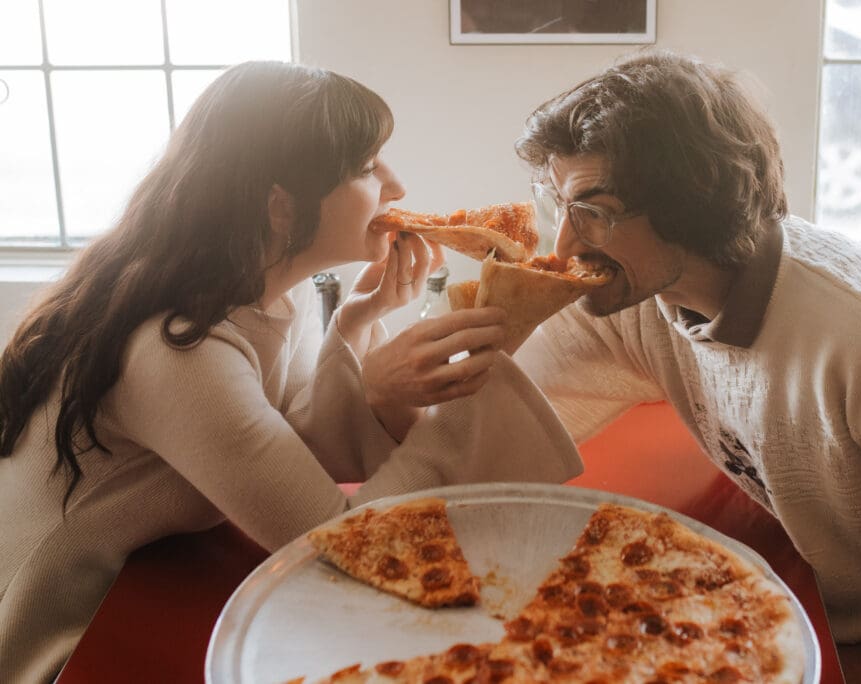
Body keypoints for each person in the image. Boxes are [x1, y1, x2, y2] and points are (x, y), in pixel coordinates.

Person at [0, 61, 581, 683]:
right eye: (366, 167)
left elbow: (292, 443)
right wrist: (473, 386)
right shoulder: (177, 350)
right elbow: (341, 544)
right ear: (281, 206)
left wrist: (356, 326)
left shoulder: (277, 290)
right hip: (74, 634)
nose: (397, 186)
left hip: (164, 572)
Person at [510, 50, 861, 683]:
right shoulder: (643, 292)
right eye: (558, 205)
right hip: (791, 614)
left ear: (687, 203)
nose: (564, 244)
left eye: (595, 211)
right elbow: (513, 397)